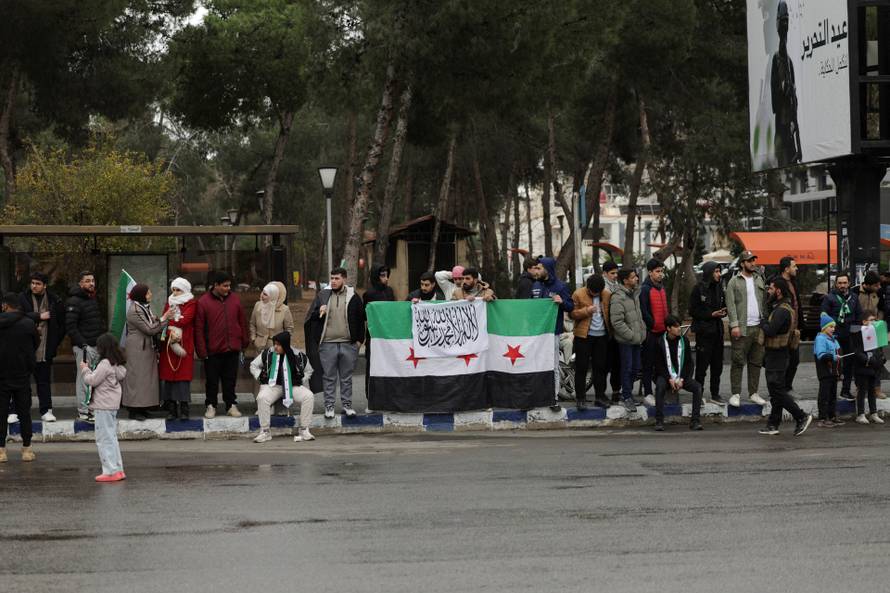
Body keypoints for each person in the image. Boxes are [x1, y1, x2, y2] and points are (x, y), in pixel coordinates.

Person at [304, 267, 365, 419]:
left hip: (348, 344)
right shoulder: (323, 295)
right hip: (328, 344)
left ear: (344, 279)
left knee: (346, 377)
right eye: (332, 278)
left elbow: (360, 319)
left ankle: (347, 405)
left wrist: (358, 341)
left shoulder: (353, 297)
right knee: (329, 377)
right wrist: (319, 312)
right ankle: (329, 406)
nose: (333, 281)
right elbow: (311, 319)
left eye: (337, 278)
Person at [758, 277, 812, 436]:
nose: (768, 291)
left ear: (778, 291)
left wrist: (761, 322)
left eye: (771, 289)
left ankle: (801, 416)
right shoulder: (780, 307)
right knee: (776, 391)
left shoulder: (782, 310)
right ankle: (773, 424)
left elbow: (771, 331)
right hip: (775, 355)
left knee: (777, 391)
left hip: (778, 355)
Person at [195, 271, 249, 419]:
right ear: (216, 285)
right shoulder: (203, 302)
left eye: (229, 285)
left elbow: (242, 322)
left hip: (232, 348)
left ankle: (231, 405)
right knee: (212, 381)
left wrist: (244, 341)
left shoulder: (235, 300)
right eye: (225, 286)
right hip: (212, 350)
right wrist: (202, 350)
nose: (228, 288)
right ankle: (211, 405)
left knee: (230, 380)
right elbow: (199, 328)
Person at [249, 331, 315, 443]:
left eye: (278, 344)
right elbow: (253, 365)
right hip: (273, 386)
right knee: (262, 398)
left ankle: (304, 429)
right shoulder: (268, 353)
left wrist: (301, 380)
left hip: (292, 386)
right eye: (274, 343)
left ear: (285, 345)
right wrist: (260, 376)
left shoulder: (297, 355)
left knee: (308, 396)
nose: (275, 346)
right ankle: (265, 431)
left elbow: (309, 370)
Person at [80, 333, 128, 482]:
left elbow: (92, 380)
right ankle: (118, 469)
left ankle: (110, 471)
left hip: (103, 405)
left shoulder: (105, 364)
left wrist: (85, 369)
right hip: (112, 405)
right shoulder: (115, 363)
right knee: (112, 438)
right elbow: (121, 375)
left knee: (103, 439)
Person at [19, 272, 65, 423]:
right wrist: (39, 317)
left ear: (45, 285)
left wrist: (54, 343)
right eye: (32, 283)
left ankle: (46, 410)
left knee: (43, 381)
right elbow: (19, 316)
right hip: (24, 348)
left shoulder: (55, 300)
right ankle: (17, 410)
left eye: (38, 284)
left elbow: (61, 324)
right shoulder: (22, 298)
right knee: (21, 382)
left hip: (45, 349)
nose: (34, 286)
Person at [530, 257, 575, 410]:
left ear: (547, 270)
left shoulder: (560, 286)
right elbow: (530, 306)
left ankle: (553, 398)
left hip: (552, 333)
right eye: (536, 268)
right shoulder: (535, 285)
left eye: (539, 268)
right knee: (536, 365)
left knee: (553, 366)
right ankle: (536, 396)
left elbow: (570, 307)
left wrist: (561, 301)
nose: (536, 271)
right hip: (536, 334)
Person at [725, 251, 766, 407]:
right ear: (742, 263)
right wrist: (734, 325)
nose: (752, 263)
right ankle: (735, 393)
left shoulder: (759, 279)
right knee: (737, 361)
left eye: (753, 260)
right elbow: (730, 304)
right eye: (749, 261)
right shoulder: (734, 282)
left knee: (756, 362)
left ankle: (753, 393)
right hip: (741, 328)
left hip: (758, 327)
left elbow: (763, 302)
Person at [0, 293, 38, 464]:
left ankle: (1, 451)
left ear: (5, 306)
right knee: (24, 413)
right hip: (22, 375)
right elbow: (35, 343)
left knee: (1, 414)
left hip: (1, 376)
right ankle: (27, 449)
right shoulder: (29, 324)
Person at [122, 284, 169, 420]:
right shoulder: (135, 310)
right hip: (138, 349)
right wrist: (165, 318)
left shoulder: (142, 308)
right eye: (148, 293)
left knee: (145, 379)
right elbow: (149, 329)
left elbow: (152, 323)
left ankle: (143, 407)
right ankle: (134, 409)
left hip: (145, 348)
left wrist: (159, 320)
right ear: (141, 295)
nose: (150, 295)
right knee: (137, 379)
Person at [653, 315, 704, 432]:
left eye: (679, 326)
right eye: (675, 327)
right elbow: (658, 364)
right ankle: (659, 421)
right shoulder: (660, 342)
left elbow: (689, 364)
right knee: (660, 387)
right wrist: (669, 378)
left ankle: (695, 421)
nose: (679, 329)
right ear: (668, 328)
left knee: (697, 388)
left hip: (682, 377)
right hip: (666, 376)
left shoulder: (684, 341)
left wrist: (682, 379)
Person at [66, 270, 104, 422]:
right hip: (84, 348)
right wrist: (84, 345)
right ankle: (83, 411)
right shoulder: (74, 301)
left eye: (93, 280)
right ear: (81, 284)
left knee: (93, 379)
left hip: (95, 346)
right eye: (87, 281)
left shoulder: (90, 299)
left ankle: (91, 409)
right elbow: (70, 327)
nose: (91, 283)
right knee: (83, 380)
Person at [609, 268, 646, 414]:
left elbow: (638, 316)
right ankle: (626, 396)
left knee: (636, 368)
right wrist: (631, 335)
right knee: (627, 368)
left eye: (636, 276)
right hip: (626, 340)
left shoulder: (634, 294)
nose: (636, 279)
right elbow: (617, 322)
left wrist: (642, 332)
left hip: (637, 339)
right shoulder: (618, 297)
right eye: (633, 277)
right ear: (625, 281)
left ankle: (628, 394)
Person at [689, 262, 727, 405]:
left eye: (719, 271)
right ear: (709, 272)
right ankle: (698, 394)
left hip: (717, 332)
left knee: (717, 366)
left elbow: (723, 306)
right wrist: (711, 314)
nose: (719, 274)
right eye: (716, 271)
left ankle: (715, 394)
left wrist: (723, 311)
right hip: (704, 334)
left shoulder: (719, 288)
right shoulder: (698, 289)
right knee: (702, 367)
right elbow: (693, 311)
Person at [570, 274, 610, 410]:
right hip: (583, 336)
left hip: (602, 336)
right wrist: (586, 311)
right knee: (581, 368)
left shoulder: (606, 294)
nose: (596, 294)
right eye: (593, 292)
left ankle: (600, 396)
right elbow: (572, 314)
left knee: (601, 368)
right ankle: (580, 398)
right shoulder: (578, 294)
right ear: (588, 286)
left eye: (598, 292)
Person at [159, 278, 196, 421]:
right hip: (169, 344)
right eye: (173, 290)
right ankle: (172, 408)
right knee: (169, 379)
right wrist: (170, 331)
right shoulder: (169, 302)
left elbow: (186, 319)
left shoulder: (191, 303)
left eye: (178, 290)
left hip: (184, 344)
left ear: (185, 290)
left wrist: (169, 320)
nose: (175, 293)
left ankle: (185, 408)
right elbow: (164, 321)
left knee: (182, 379)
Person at [821, 273, 861, 400]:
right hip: (835, 336)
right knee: (833, 363)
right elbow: (824, 315)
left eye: (845, 283)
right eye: (840, 283)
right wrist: (837, 322)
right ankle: (830, 392)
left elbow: (858, 315)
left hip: (850, 335)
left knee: (849, 363)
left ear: (849, 283)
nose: (842, 285)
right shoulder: (829, 298)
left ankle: (845, 390)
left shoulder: (854, 297)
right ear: (836, 284)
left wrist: (856, 329)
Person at [771, 0, 802, 166]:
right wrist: (783, 88)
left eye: (786, 21)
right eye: (782, 20)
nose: (785, 24)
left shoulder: (788, 61)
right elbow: (775, 97)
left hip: (789, 121)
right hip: (782, 122)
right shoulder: (777, 59)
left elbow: (794, 95)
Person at [363, 264, 395, 404]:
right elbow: (365, 316)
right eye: (382, 275)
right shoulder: (369, 294)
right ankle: (371, 398)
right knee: (372, 367)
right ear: (376, 276)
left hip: (388, 336)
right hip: (374, 337)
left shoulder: (390, 291)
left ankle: (388, 398)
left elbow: (393, 311)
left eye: (387, 275)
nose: (386, 278)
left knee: (388, 366)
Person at [639, 259, 669, 404]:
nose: (660, 274)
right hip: (651, 333)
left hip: (663, 332)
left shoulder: (662, 288)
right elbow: (643, 311)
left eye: (661, 271)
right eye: (657, 271)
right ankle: (648, 393)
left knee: (661, 363)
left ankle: (662, 390)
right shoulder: (645, 289)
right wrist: (651, 324)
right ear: (650, 272)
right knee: (648, 364)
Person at [851, 314, 886, 425]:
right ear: (864, 321)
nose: (874, 322)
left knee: (872, 391)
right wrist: (867, 360)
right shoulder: (858, 334)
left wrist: (880, 359)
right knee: (862, 391)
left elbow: (879, 350)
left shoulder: (875, 333)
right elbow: (857, 351)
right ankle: (860, 414)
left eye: (875, 320)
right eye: (871, 320)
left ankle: (873, 413)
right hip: (862, 367)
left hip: (873, 368)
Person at [813, 312, 841, 428]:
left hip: (834, 372)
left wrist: (840, 370)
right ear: (824, 327)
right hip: (825, 371)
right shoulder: (820, 339)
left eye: (834, 327)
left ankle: (832, 416)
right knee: (824, 395)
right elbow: (821, 355)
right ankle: (823, 418)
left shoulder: (833, 339)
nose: (833, 329)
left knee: (833, 395)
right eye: (830, 326)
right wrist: (833, 357)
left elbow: (838, 352)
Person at [249, 281, 294, 352]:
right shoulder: (258, 305)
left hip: (277, 348)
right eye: (262, 292)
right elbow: (252, 324)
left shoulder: (284, 309)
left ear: (273, 296)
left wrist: (283, 345)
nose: (261, 296)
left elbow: (289, 329)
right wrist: (254, 339)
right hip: (259, 347)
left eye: (265, 294)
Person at [779, 257, 802, 393]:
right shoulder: (778, 283)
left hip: (794, 330)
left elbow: (796, 304)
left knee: (795, 360)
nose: (797, 268)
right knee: (783, 360)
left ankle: (787, 386)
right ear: (786, 269)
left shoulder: (793, 282)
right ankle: (780, 388)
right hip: (784, 330)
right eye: (794, 266)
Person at [601, 261, 622, 401]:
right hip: (604, 332)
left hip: (616, 333)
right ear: (605, 274)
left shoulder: (617, 287)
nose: (615, 276)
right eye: (612, 273)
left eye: (616, 273)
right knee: (603, 365)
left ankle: (616, 392)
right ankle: (601, 394)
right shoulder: (602, 288)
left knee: (616, 365)